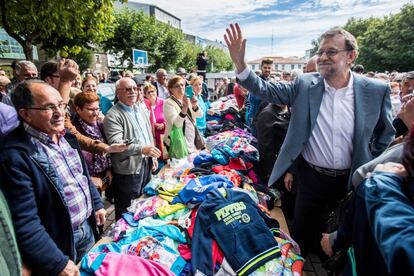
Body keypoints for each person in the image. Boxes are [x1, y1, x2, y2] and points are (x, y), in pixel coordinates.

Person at [224, 23, 395, 255]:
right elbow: (265, 89)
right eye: (321, 51)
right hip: (311, 179)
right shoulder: (304, 84)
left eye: (331, 52)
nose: (323, 57)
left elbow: (387, 132)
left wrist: (369, 159)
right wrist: (241, 65)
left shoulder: (376, 89)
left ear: (351, 56)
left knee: (340, 241)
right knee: (301, 235)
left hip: (349, 182)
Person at [0, 80, 106, 274]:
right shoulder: (14, 156)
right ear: (25, 114)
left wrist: (97, 203)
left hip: (87, 230)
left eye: (61, 105)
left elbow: (81, 176)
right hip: (59, 243)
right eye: (49, 107)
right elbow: (25, 221)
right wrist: (56, 262)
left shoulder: (65, 136)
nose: (60, 113)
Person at [104, 78, 160, 220]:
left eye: (135, 88)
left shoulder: (140, 108)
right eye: (127, 89)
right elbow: (117, 144)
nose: (133, 92)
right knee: (127, 210)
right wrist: (143, 149)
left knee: (143, 202)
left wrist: (151, 155)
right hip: (128, 170)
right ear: (118, 93)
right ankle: (122, 237)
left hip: (145, 163)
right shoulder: (112, 116)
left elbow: (148, 134)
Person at [72, 92, 112, 193]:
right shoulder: (72, 130)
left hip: (104, 179)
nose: (95, 113)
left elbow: (109, 148)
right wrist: (89, 178)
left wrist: (109, 169)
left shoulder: (101, 124)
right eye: (90, 109)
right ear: (78, 109)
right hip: (85, 184)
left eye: (97, 109)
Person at [163, 76, 203, 157]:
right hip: (178, 143)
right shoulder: (168, 103)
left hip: (191, 141)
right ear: (171, 89)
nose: (181, 87)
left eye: (182, 85)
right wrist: (185, 107)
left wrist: (194, 105)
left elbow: (200, 115)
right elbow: (177, 124)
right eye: (177, 86)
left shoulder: (187, 99)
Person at [143, 84, 166, 157]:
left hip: (164, 135)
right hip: (151, 137)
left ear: (156, 92)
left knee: (166, 158)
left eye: (152, 91)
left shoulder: (163, 102)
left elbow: (171, 118)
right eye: (148, 92)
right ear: (145, 95)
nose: (151, 94)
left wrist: (164, 124)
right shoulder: (144, 105)